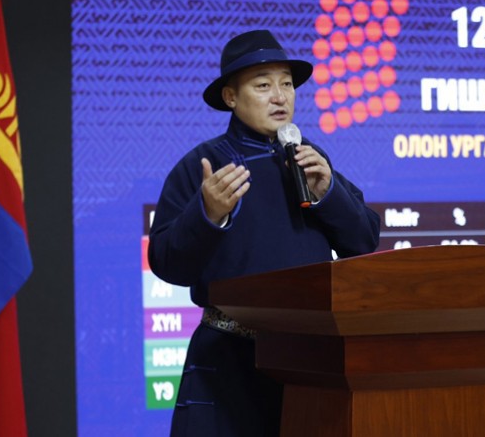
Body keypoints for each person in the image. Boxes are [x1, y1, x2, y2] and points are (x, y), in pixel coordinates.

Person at [148, 29, 381, 436]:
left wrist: (329, 194)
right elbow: (167, 263)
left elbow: (363, 242)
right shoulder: (202, 165)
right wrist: (208, 215)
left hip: (310, 359)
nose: (280, 97)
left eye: (287, 84)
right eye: (263, 86)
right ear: (230, 97)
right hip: (227, 362)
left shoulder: (310, 158)